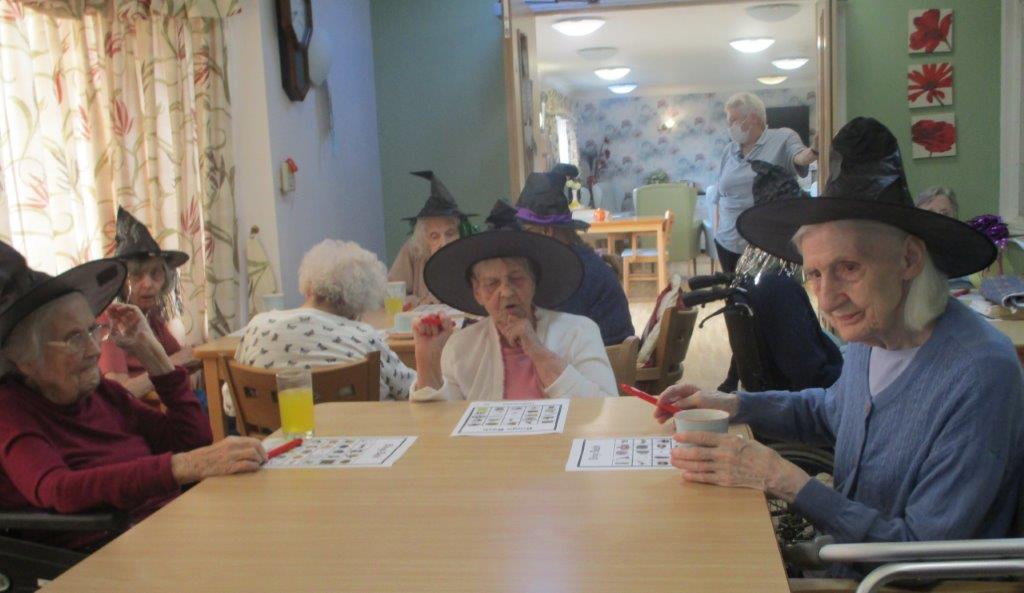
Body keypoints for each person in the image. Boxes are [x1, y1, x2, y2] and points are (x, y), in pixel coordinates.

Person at [655, 118, 1021, 578]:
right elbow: (830, 410)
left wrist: (785, 480)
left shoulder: (979, 373)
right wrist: (734, 403)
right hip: (843, 564)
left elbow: (921, 557)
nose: (827, 298)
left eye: (848, 268)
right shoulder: (875, 333)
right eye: (814, 274)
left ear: (908, 259)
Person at [0, 243, 265, 550]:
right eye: (74, 338)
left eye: (92, 331)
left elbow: (192, 441)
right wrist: (181, 467)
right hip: (104, 556)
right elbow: (58, 489)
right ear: (24, 360)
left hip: (171, 529)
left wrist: (153, 355)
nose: (95, 349)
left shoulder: (101, 394)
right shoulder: (10, 411)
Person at [409, 218, 616, 401]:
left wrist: (536, 349)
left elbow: (606, 409)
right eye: (492, 283)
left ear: (533, 282)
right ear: (477, 291)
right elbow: (439, 428)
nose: (506, 292)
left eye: (516, 278)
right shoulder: (460, 347)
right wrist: (427, 364)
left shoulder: (579, 332)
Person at [715, 160, 842, 393]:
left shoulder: (750, 279)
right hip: (800, 407)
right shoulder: (780, 290)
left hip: (772, 398)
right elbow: (809, 375)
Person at [235, 239, 414, 403]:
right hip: (358, 436)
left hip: (276, 437)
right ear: (358, 304)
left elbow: (230, 403)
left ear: (309, 288)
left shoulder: (256, 327)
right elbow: (411, 390)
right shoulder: (364, 337)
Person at [515, 171, 635, 345]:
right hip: (602, 358)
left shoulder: (570, 272)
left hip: (603, 365)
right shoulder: (579, 257)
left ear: (547, 231)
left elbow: (552, 334)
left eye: (526, 233)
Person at [712, 92, 817, 273]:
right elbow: (719, 195)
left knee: (768, 298)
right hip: (727, 243)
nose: (729, 127)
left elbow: (800, 157)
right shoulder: (729, 150)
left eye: (733, 120)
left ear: (752, 118)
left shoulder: (783, 138)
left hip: (767, 247)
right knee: (737, 297)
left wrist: (814, 151)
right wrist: (717, 233)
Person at [99, 207, 197, 398]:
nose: (149, 284)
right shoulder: (109, 322)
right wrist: (173, 365)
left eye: (155, 274)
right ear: (120, 282)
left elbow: (186, 360)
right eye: (136, 275)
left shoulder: (152, 318)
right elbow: (120, 393)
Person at [388, 171, 474, 306]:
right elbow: (390, 294)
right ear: (424, 239)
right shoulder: (412, 251)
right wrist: (420, 302)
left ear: (460, 233)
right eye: (434, 236)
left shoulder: (472, 255)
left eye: (450, 233)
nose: (443, 243)